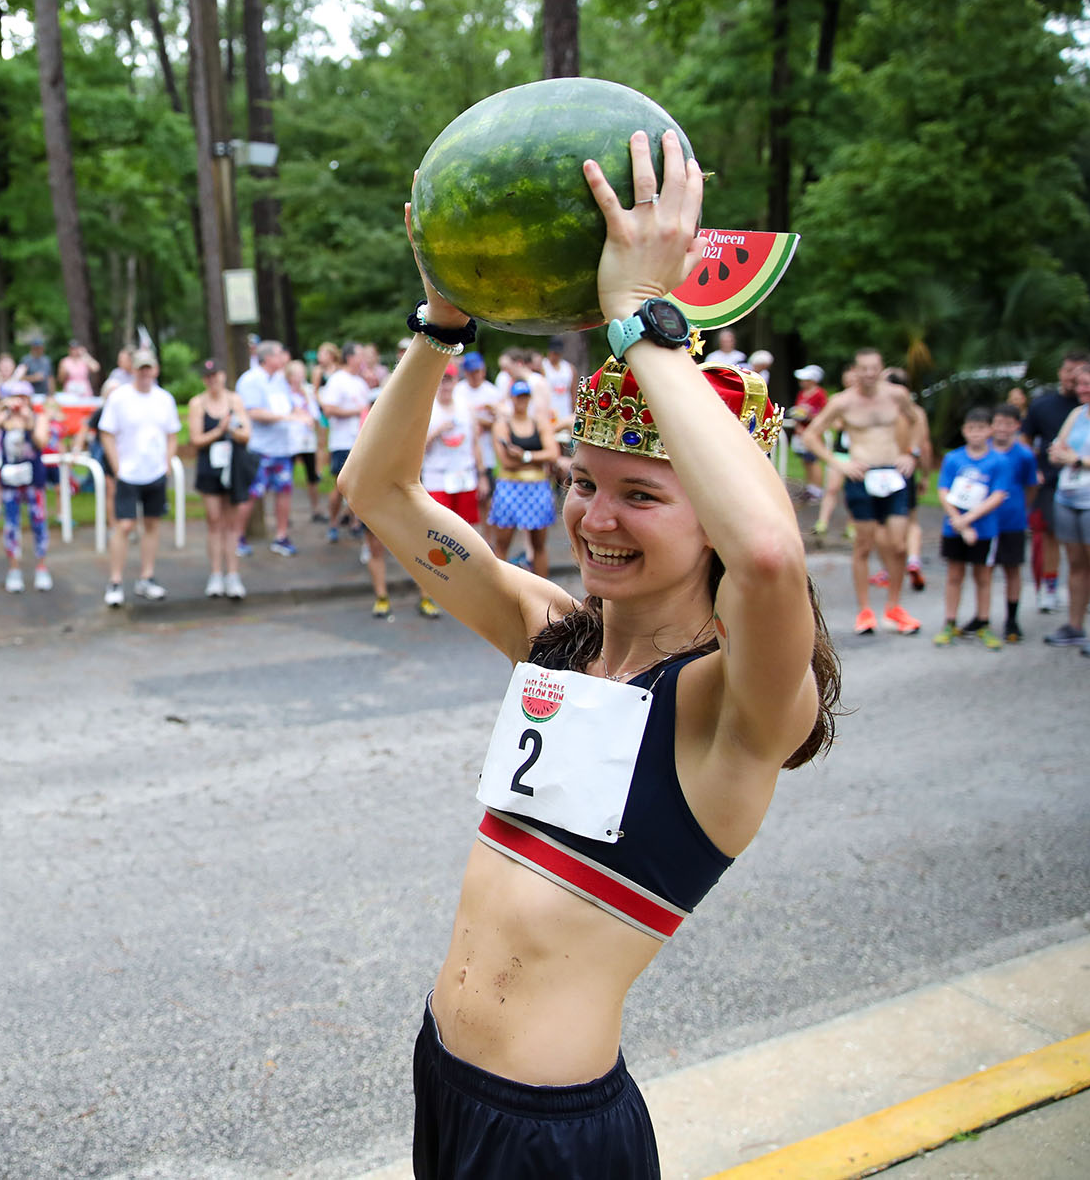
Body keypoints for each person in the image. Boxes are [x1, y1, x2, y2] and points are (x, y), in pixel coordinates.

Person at [345, 128, 839, 1178]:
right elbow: (376, 496)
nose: (594, 517)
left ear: (704, 510)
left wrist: (639, 323)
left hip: (554, 1134)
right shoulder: (551, 636)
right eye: (582, 481)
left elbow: (764, 553)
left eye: (641, 494)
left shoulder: (735, 709)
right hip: (445, 1080)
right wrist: (439, 322)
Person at [798, 349, 922, 636]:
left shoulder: (896, 395)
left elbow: (916, 421)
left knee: (899, 544)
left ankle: (894, 606)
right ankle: (865, 610)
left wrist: (911, 454)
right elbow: (811, 434)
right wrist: (839, 463)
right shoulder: (843, 402)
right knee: (864, 545)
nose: (868, 374)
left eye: (873, 368)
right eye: (863, 368)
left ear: (881, 369)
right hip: (861, 475)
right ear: (856, 370)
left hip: (892, 471)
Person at [98, 348, 181, 606]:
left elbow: (172, 433)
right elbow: (106, 433)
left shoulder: (164, 399)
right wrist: (117, 466)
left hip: (154, 471)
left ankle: (147, 576)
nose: (145, 373)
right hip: (129, 472)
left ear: (154, 370)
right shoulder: (120, 398)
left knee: (152, 524)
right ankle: (115, 580)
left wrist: (167, 462)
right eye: (140, 369)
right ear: (133, 370)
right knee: (124, 525)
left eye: (149, 368)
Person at [931, 409, 1010, 649]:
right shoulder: (954, 459)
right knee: (954, 575)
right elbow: (943, 491)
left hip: (984, 529)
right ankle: (950, 622)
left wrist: (969, 520)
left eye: (981, 428)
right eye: (971, 429)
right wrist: (958, 521)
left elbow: (998, 495)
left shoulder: (998, 461)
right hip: (954, 527)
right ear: (964, 431)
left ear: (990, 431)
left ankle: (983, 622)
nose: (976, 433)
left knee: (983, 576)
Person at [1025, 352, 1090, 614]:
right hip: (1052, 482)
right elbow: (1026, 440)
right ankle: (1050, 588)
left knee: (1088, 545)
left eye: (1079, 373)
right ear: (1060, 373)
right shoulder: (1043, 405)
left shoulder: (1088, 410)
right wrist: (1032, 469)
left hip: (1089, 483)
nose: (1073, 378)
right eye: (1068, 371)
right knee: (1050, 536)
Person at [1042, 356, 1090, 654]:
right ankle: (1075, 626)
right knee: (1076, 564)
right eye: (1078, 384)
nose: (1081, 389)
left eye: (1087, 383)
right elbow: (1058, 447)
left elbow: (1073, 456)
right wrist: (1056, 453)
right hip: (1068, 496)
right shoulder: (1077, 414)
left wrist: (1077, 460)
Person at [417, 364, 481, 618]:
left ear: (456, 382)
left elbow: (474, 441)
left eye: (450, 380)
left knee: (467, 535)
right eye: (442, 380)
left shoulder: (465, 406)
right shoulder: (427, 407)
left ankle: (462, 591)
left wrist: (482, 475)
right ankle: (427, 594)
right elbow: (415, 445)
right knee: (434, 537)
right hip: (437, 479)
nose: (446, 386)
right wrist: (437, 432)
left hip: (464, 477)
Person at [485, 380, 561, 578]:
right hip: (510, 486)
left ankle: (543, 589)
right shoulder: (502, 425)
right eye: (518, 397)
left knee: (539, 545)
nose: (522, 401)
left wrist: (524, 456)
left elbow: (553, 453)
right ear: (512, 398)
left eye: (525, 397)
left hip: (537, 486)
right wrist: (537, 459)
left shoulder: (538, 423)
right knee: (502, 543)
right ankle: (500, 591)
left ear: (529, 398)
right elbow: (506, 462)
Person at [188, 360, 251, 599]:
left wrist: (232, 429)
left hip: (232, 466)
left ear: (223, 376)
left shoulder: (235, 400)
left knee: (233, 524)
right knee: (214, 521)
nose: (212, 380)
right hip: (210, 467)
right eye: (208, 377)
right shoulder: (198, 403)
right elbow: (196, 439)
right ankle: (216, 573)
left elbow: (246, 434)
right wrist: (219, 430)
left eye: (216, 375)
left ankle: (233, 574)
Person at [0, 380, 53, 593]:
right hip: (10, 481)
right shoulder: (3, 419)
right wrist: (1, 406)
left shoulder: (37, 418)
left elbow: (41, 442)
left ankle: (41, 566)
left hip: (33, 480)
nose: (19, 402)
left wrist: (28, 420)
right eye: (16, 398)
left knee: (39, 523)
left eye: (23, 398)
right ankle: (14, 569)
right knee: (11, 525)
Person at [235, 339, 299, 557]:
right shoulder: (251, 380)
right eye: (280, 353)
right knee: (251, 494)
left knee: (284, 492)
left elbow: (290, 405)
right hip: (259, 450)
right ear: (268, 357)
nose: (284, 357)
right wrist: (286, 417)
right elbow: (252, 412)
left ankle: (281, 536)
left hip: (282, 448)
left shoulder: (281, 380)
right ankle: (237, 537)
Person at [987, 404, 1037, 643]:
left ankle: (1012, 618)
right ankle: (982, 616)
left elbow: (1031, 486)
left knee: (1012, 569)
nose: (1002, 429)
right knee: (983, 570)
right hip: (985, 519)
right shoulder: (983, 450)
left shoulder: (1025, 454)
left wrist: (1022, 509)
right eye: (998, 423)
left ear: (1017, 426)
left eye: (1009, 424)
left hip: (1013, 519)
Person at [882, 366, 933, 592]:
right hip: (907, 468)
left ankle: (890, 568)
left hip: (886, 468)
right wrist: (925, 475)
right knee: (911, 521)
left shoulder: (884, 410)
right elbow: (925, 446)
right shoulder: (916, 412)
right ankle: (913, 558)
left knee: (882, 523)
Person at [319, 342, 374, 541]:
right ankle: (333, 523)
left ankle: (355, 521)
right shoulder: (337, 380)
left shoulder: (360, 382)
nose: (363, 360)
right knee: (340, 486)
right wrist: (356, 411)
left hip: (360, 442)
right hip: (342, 442)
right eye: (360, 356)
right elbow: (328, 409)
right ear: (349, 358)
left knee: (359, 485)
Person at [452, 351, 504, 505]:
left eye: (477, 371)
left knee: (487, 500)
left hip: (487, 451)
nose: (475, 375)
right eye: (471, 372)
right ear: (465, 372)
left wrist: (489, 418)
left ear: (483, 370)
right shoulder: (458, 391)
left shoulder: (492, 392)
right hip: (464, 454)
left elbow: (501, 422)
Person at [285, 358, 326, 524]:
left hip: (308, 440)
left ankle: (315, 509)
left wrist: (321, 438)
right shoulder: (285, 392)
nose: (300, 377)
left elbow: (315, 415)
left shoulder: (307, 391)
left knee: (312, 476)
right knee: (288, 477)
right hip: (291, 441)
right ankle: (286, 513)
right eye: (297, 374)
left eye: (302, 374)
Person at [789, 364, 829, 501]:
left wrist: (810, 416)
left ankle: (817, 489)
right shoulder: (802, 394)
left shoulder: (819, 393)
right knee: (805, 460)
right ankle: (810, 487)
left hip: (812, 433)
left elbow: (824, 413)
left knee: (813, 460)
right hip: (801, 433)